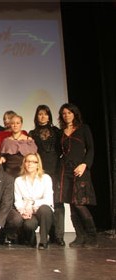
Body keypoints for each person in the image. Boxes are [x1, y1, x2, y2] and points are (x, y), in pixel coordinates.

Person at [58, 103, 98, 248]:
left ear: (75, 113)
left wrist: (84, 164)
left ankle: (92, 236)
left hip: (80, 169)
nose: (66, 115)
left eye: (69, 112)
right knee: (71, 205)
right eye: (64, 113)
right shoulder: (62, 131)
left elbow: (91, 149)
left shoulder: (83, 128)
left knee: (80, 204)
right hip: (65, 171)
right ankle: (80, 236)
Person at [29, 104, 64, 246]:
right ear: (36, 116)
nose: (42, 117)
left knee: (58, 202)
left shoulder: (57, 131)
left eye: (45, 114)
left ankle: (59, 236)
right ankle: (49, 234)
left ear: (49, 116)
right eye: (39, 114)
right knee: (45, 204)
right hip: (40, 172)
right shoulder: (32, 133)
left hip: (56, 170)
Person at [14, 153, 54, 250]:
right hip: (27, 211)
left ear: (38, 164)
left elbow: (48, 199)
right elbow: (18, 200)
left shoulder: (46, 178)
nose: (30, 164)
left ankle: (43, 241)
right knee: (29, 225)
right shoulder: (19, 180)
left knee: (45, 209)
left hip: (42, 211)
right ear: (24, 163)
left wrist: (32, 204)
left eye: (33, 162)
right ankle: (31, 239)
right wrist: (23, 211)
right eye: (28, 161)